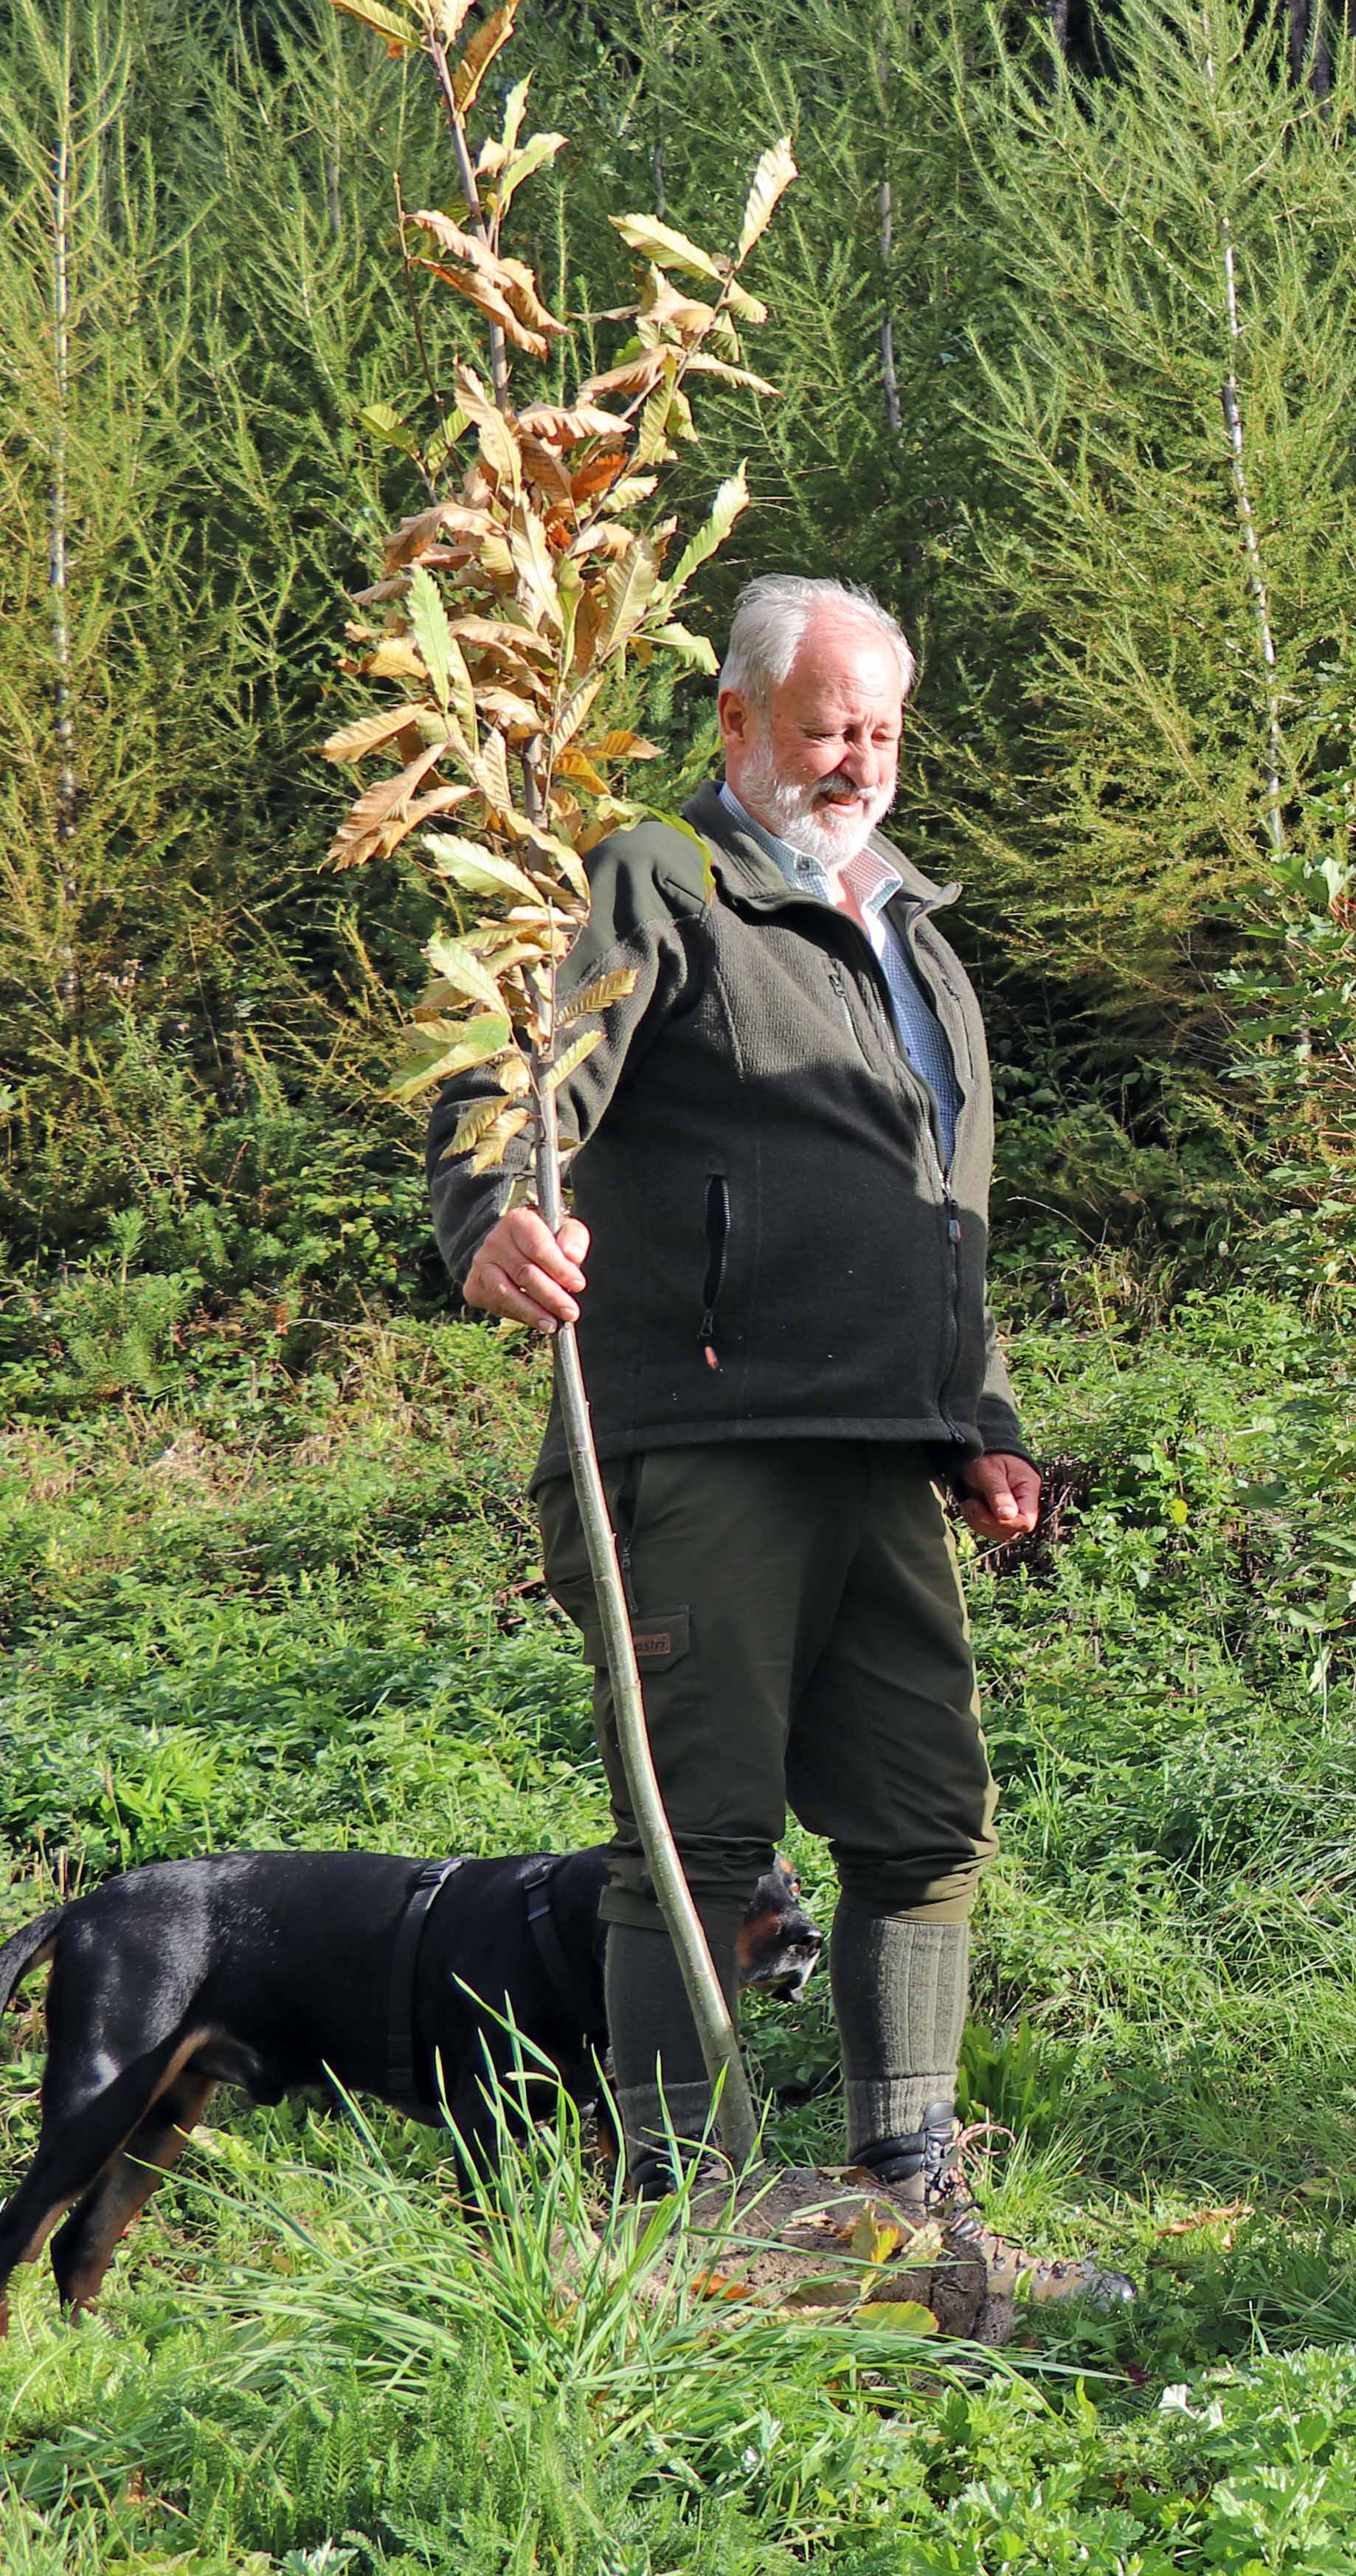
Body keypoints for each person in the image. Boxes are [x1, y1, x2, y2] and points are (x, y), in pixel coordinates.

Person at [437, 574, 1117, 2300]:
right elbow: (523, 1072)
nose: (856, 760)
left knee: (923, 1818)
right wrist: (489, 1214)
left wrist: (985, 1419)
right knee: (698, 1833)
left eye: (880, 730)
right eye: (824, 726)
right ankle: (690, 2227)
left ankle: (915, 2195)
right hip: (707, 1439)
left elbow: (940, 1214)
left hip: (889, 1453)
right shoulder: (659, 877)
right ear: (736, 723)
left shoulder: (918, 936)